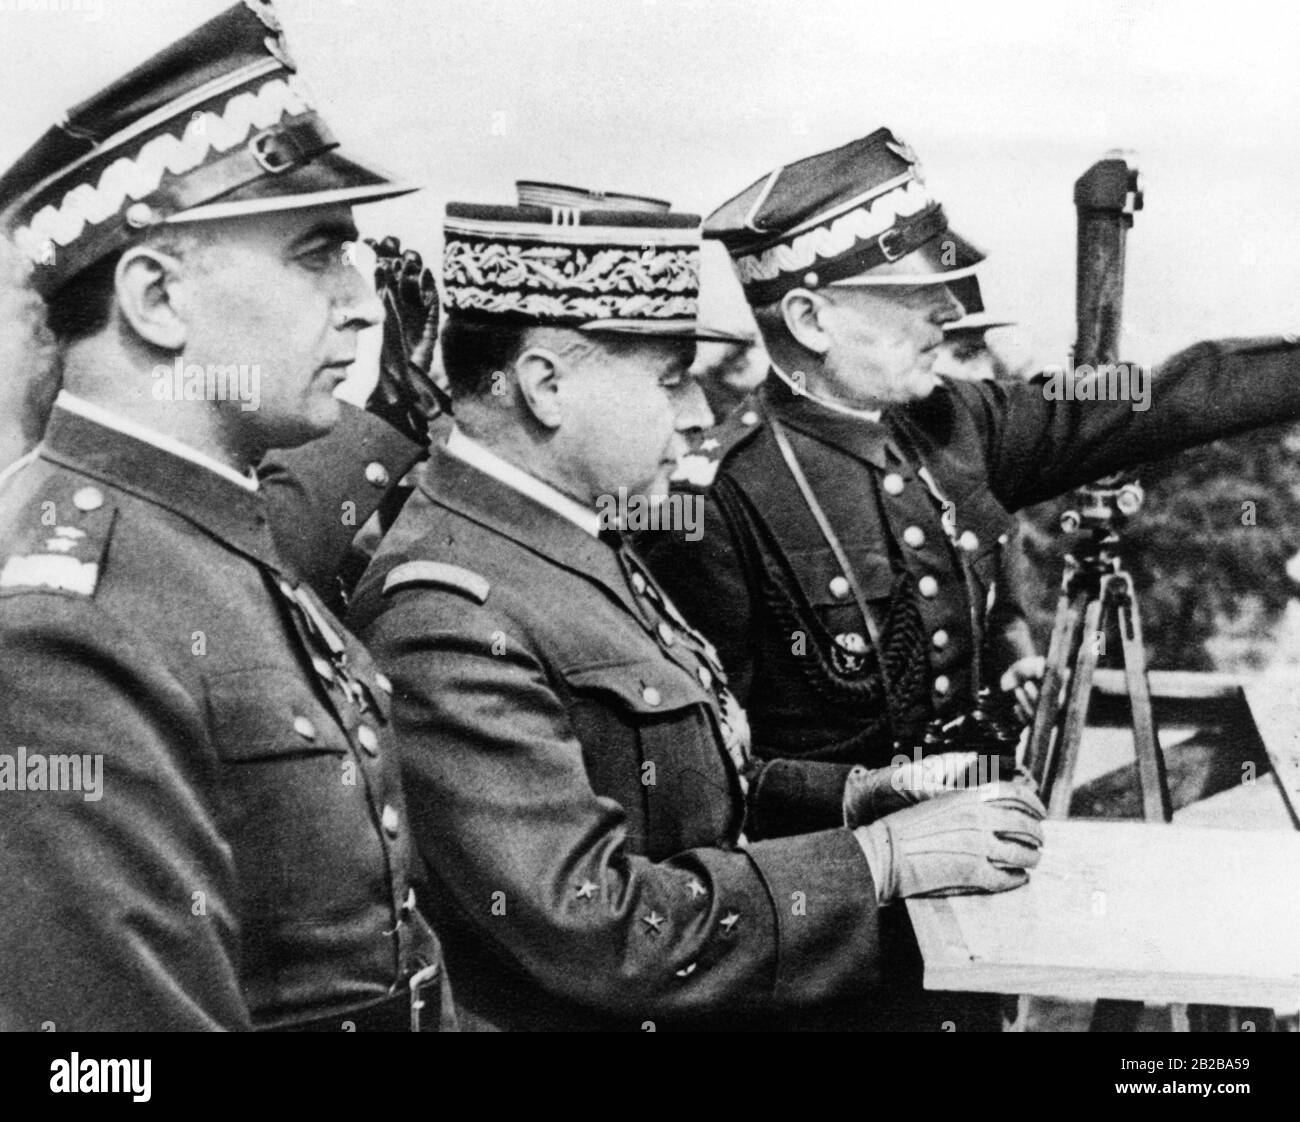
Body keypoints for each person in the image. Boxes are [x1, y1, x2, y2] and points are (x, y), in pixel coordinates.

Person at [348, 187, 1047, 1032]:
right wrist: (873, 863)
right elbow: (600, 930)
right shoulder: (446, 608)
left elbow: (679, 786)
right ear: (544, 385)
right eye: (670, 381)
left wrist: (857, 795)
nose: (698, 415)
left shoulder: (562, 541)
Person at [0, 1, 449, 1032]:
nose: (362, 301)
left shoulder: (203, 532)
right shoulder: (66, 623)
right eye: (316, 252)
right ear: (156, 298)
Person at [641, 126, 1300, 774]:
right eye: (912, 294)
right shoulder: (716, 501)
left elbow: (1150, 401)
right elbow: (712, 780)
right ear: (811, 320)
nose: (950, 309)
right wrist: (879, 814)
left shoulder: (954, 419)